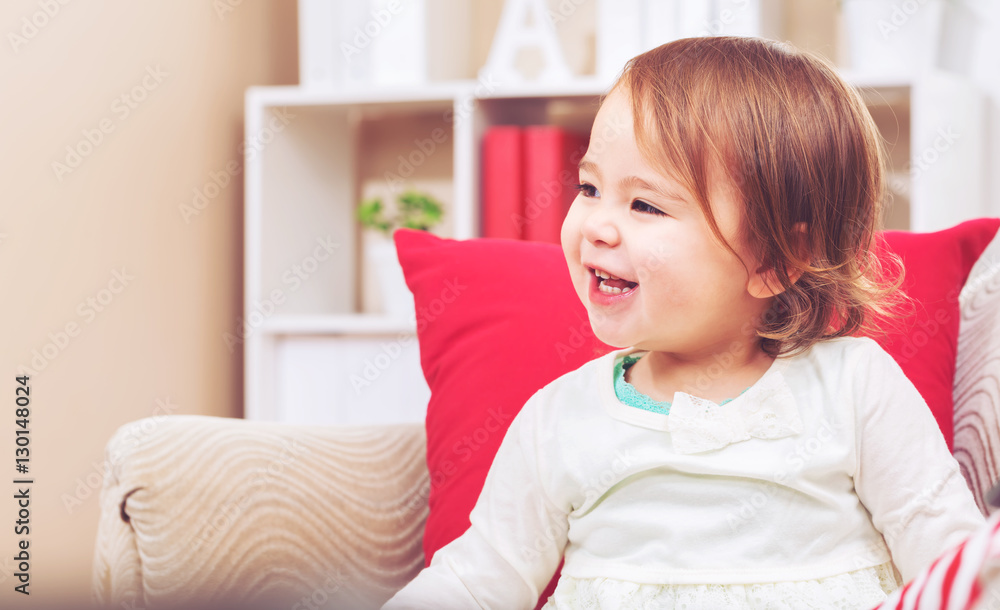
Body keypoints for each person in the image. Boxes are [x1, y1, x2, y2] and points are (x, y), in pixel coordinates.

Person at [381, 36, 986, 609]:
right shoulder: (558, 418)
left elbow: (953, 561)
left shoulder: (854, 387)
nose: (596, 225)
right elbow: (476, 581)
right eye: (589, 187)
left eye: (645, 204)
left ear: (776, 260)